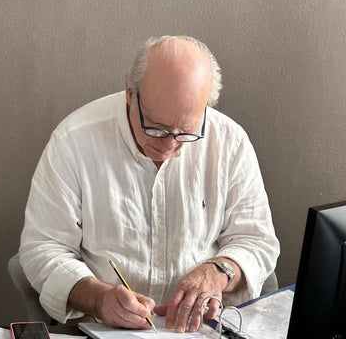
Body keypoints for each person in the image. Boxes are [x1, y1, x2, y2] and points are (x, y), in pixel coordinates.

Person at [19, 35, 279, 333]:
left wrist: (218, 271)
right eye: (155, 127)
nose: (169, 145)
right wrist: (98, 298)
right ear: (130, 93)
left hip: (203, 329)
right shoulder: (74, 141)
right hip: (106, 329)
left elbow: (257, 241)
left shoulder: (230, 142)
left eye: (186, 131)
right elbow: (43, 249)